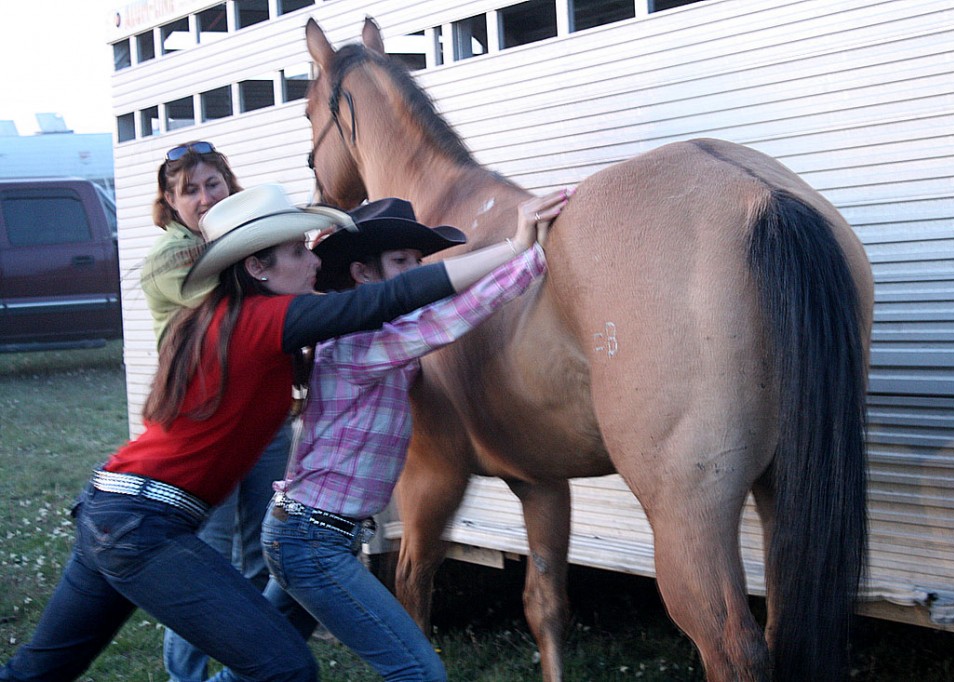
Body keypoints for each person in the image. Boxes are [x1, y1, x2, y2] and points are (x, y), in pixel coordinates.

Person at [0, 183, 557, 682]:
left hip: (115, 507)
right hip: (144, 524)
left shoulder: (230, 322)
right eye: (295, 252)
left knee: (44, 668)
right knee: (284, 667)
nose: (311, 259)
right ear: (258, 269)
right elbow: (389, 303)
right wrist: (515, 248)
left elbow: (391, 311)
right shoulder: (263, 320)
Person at [209, 189, 570, 682]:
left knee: (258, 668)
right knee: (418, 671)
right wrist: (530, 256)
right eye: (402, 261)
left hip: (306, 533)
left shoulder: (375, 332)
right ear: (363, 274)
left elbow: (436, 312)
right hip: (311, 539)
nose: (416, 272)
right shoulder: (361, 341)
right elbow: (450, 319)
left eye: (419, 260)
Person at [140, 140, 291, 682]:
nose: (204, 197)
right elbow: (245, 306)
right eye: (189, 190)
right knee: (206, 566)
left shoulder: (237, 242)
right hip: (204, 427)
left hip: (260, 422)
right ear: (170, 201)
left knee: (262, 558)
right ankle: (189, 677)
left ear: (229, 185)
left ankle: (242, 673)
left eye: (212, 184)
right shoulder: (173, 258)